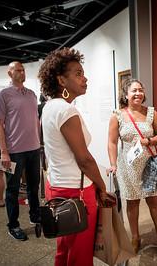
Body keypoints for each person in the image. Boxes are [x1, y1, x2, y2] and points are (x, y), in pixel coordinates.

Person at [38, 47, 115, 266]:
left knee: (64, 249)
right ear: (61, 80)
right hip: (76, 192)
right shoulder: (66, 111)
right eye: (78, 73)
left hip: (57, 187)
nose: (85, 78)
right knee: (80, 255)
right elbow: (84, 159)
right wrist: (101, 187)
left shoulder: (50, 107)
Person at [107, 78, 157, 258]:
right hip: (127, 167)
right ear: (126, 95)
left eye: (140, 90)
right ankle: (135, 238)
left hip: (150, 166)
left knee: (154, 203)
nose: (138, 94)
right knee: (132, 203)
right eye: (134, 90)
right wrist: (113, 164)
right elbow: (111, 143)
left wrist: (149, 140)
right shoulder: (117, 115)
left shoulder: (151, 113)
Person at [0, 61, 41, 241]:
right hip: (14, 151)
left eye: (23, 70)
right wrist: (4, 152)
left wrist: (40, 141)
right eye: (18, 70)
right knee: (13, 190)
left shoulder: (31, 94)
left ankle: (34, 215)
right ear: (10, 73)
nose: (22, 72)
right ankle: (13, 225)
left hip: (34, 149)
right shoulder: (3, 95)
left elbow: (35, 120)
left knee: (33, 186)